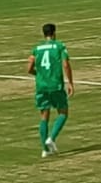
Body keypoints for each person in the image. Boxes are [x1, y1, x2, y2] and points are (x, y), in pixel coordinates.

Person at [27, 22, 74, 158]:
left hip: (41, 86)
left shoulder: (36, 49)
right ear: (54, 33)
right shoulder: (60, 46)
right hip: (55, 85)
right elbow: (65, 64)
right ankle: (51, 139)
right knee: (63, 112)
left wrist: (40, 75)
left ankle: (45, 149)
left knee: (44, 117)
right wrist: (70, 82)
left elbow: (29, 68)